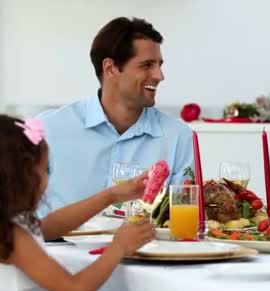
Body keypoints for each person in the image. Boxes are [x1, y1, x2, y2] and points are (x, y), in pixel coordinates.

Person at [0, 115, 156, 291]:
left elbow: (51, 225)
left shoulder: (11, 225)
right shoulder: (13, 236)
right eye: (44, 171)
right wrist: (118, 247)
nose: (46, 180)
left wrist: (111, 195)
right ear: (20, 178)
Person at [37, 17, 194, 215]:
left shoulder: (178, 136)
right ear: (110, 68)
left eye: (159, 65)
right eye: (147, 65)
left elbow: (184, 217)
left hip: (145, 246)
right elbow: (20, 216)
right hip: (56, 245)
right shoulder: (48, 128)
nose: (159, 76)